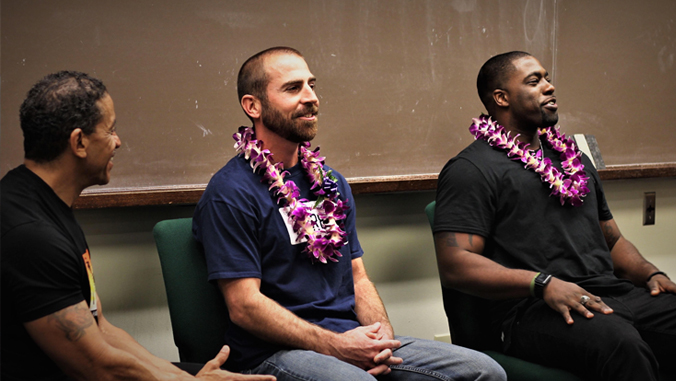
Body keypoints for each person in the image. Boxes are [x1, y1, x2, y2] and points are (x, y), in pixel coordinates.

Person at [192, 46, 507, 381]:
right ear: (252, 106)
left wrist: (380, 336)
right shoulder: (230, 193)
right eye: (292, 88)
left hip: (350, 337)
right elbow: (245, 306)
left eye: (312, 85)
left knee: (483, 372)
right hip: (272, 353)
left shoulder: (331, 183)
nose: (311, 97)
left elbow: (357, 276)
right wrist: (336, 346)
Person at [1, 71, 276, 381]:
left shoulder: (42, 200)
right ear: (79, 142)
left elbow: (100, 326)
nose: (118, 142)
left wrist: (182, 376)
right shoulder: (31, 235)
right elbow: (96, 367)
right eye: (111, 130)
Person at [433, 51, 676, 381]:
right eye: (534, 81)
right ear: (501, 98)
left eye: (547, 78)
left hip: (609, 293)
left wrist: (649, 273)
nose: (549, 87)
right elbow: (455, 264)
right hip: (531, 311)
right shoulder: (471, 170)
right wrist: (542, 283)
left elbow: (613, 239)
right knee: (621, 345)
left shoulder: (572, 159)